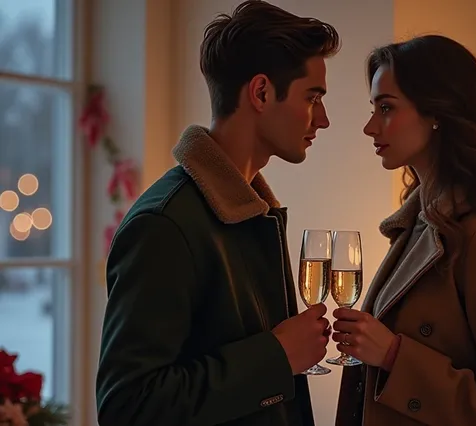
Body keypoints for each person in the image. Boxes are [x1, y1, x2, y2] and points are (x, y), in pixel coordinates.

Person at [95, 2, 340, 425]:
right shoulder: (164, 225)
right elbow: (127, 407)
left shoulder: (254, 213)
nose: (324, 119)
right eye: (312, 97)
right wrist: (276, 356)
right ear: (261, 92)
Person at [333, 34, 476, 426]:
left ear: (437, 112)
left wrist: (394, 356)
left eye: (386, 108)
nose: (370, 127)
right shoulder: (417, 226)